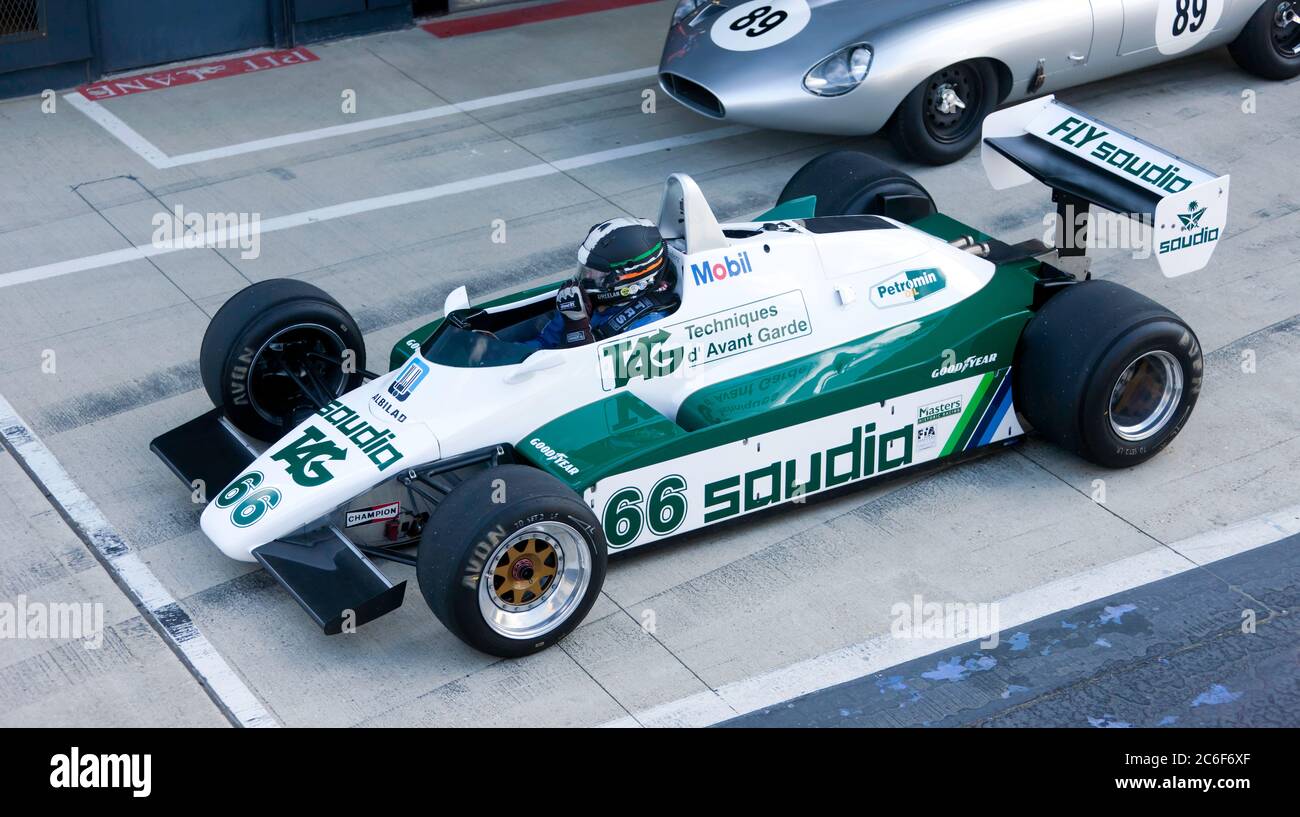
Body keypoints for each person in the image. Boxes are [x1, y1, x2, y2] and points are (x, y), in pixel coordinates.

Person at [533, 218, 680, 349]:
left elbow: (595, 374)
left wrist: (577, 328)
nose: (585, 277)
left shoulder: (649, 326)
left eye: (595, 273)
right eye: (584, 269)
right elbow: (542, 343)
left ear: (630, 279)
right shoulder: (581, 304)